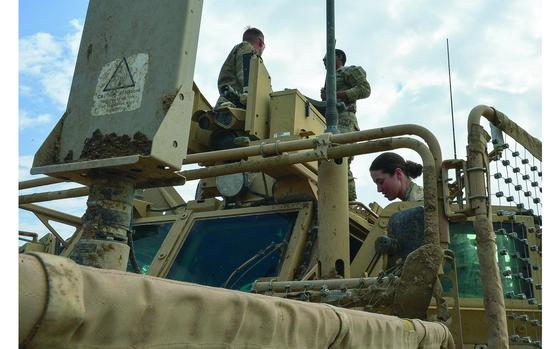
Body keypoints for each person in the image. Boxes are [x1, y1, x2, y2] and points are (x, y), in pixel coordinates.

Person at [321, 49, 371, 201]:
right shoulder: (330, 78)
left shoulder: (349, 71)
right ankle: (342, 199)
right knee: (331, 158)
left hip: (345, 118)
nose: (324, 62)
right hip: (331, 120)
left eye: (327, 58)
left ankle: (349, 201)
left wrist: (337, 95)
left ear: (339, 57)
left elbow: (365, 89)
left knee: (340, 156)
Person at [215, 27, 266, 109]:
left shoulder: (238, 50)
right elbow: (247, 80)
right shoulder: (247, 48)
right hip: (236, 109)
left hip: (227, 106)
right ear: (260, 43)